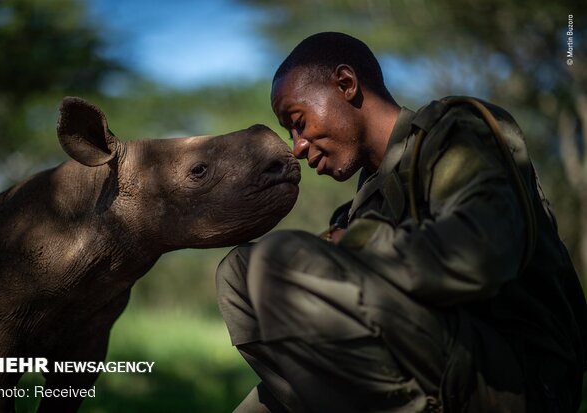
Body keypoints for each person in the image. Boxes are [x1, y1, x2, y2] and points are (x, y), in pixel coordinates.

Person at [215, 32, 587, 413]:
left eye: (299, 122)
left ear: (346, 84)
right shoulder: (356, 208)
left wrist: (357, 246)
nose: (297, 146)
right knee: (235, 273)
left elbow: (484, 254)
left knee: (273, 261)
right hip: (421, 368)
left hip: (510, 380)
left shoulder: (455, 132)